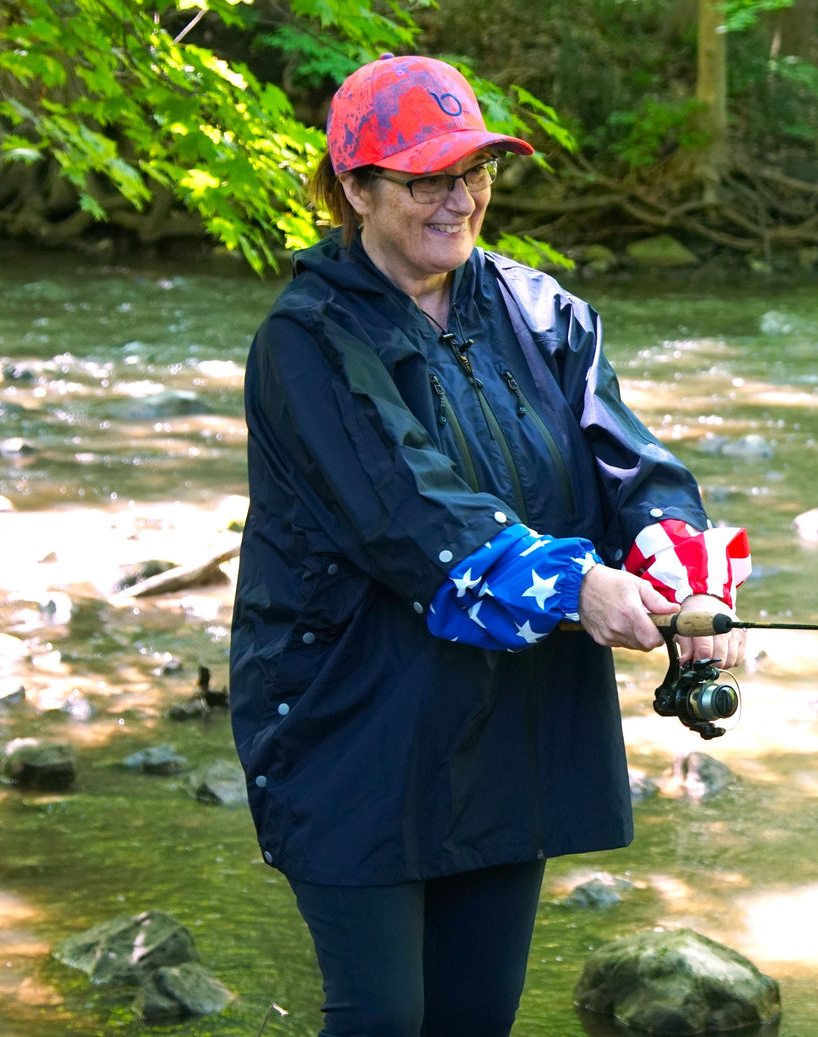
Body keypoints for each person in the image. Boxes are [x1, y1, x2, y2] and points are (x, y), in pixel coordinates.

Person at [229, 53, 750, 1036]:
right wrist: (578, 584)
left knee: (474, 1018)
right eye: (427, 175)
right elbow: (404, 510)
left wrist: (684, 575)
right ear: (355, 185)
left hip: (510, 720)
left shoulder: (541, 310)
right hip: (352, 724)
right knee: (381, 1016)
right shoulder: (305, 339)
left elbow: (626, 465)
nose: (458, 197)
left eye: (473, 170)